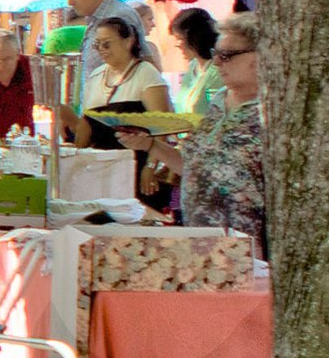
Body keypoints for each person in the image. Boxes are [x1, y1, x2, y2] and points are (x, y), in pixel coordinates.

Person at [169, 16, 270, 249]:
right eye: (215, 54)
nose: (216, 63)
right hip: (202, 239)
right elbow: (194, 164)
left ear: (257, 57)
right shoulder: (218, 100)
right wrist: (150, 146)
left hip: (249, 246)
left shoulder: (271, 110)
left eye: (226, 56)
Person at [71, 13, 170, 137]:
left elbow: (161, 128)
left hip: (133, 154)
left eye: (106, 44)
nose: (101, 49)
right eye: (97, 45)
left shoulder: (145, 73)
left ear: (128, 42)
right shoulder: (96, 75)